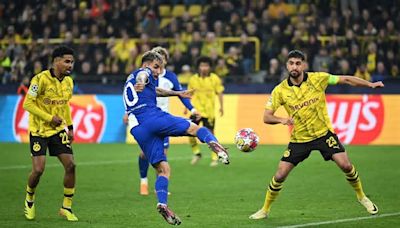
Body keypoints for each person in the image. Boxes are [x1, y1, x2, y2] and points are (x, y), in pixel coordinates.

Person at [249, 50, 383, 220]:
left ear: (304, 65)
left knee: (346, 165)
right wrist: (281, 120)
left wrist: (370, 85)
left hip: (323, 134)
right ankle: (265, 210)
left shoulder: (318, 78)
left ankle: (361, 196)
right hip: (300, 139)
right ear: (287, 66)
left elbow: (346, 79)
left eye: (298, 63)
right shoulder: (280, 90)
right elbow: (266, 117)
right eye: (291, 63)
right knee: (280, 174)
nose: (294, 67)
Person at [123, 51, 229, 225]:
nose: (158, 71)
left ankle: (162, 204)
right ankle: (216, 146)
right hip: (151, 117)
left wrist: (176, 93)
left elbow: (155, 90)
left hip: (137, 128)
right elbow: (144, 75)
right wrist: (142, 81)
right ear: (147, 64)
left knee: (163, 169)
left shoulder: (130, 78)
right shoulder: (143, 73)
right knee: (194, 128)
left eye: (161, 67)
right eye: (156, 67)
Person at [134, 46, 200, 196]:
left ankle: (160, 187)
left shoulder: (170, 77)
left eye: (162, 57)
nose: (159, 60)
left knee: (162, 154)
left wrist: (193, 110)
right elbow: (134, 93)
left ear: (165, 60)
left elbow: (180, 94)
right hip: (146, 118)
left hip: (163, 119)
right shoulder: (145, 75)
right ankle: (143, 181)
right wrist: (127, 113)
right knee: (144, 153)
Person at [23, 46, 78, 221]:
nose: (70, 65)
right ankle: (30, 198)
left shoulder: (69, 82)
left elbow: (65, 105)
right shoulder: (39, 79)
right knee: (38, 170)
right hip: (39, 130)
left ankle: (66, 207)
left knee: (71, 165)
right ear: (56, 61)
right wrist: (48, 117)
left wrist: (70, 127)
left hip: (57, 130)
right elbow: (27, 104)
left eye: (72, 62)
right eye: (67, 61)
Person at [188, 56, 224, 167]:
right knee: (189, 131)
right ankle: (197, 153)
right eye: (202, 65)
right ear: (198, 67)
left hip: (209, 112)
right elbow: (189, 93)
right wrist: (187, 107)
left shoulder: (215, 78)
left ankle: (214, 157)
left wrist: (222, 107)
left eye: (206, 66)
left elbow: (220, 93)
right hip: (196, 111)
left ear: (209, 67)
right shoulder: (193, 79)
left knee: (210, 135)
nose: (204, 68)